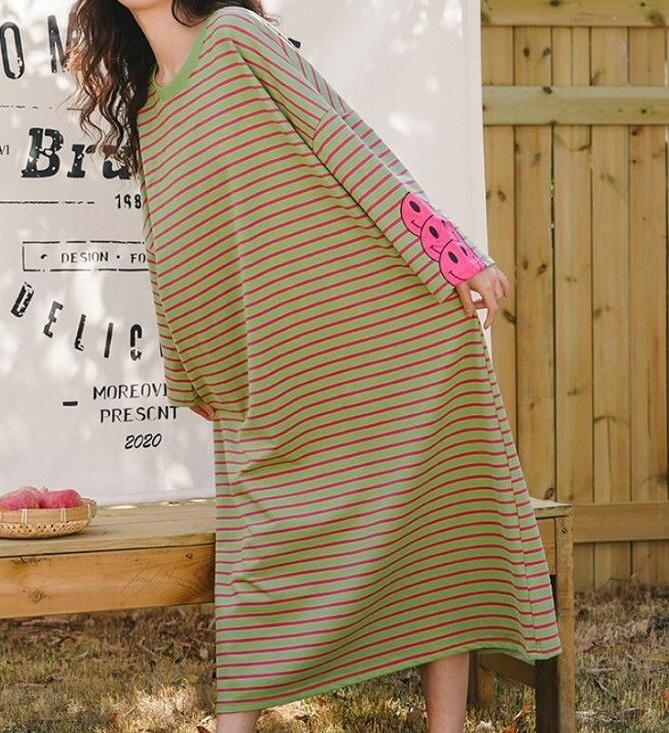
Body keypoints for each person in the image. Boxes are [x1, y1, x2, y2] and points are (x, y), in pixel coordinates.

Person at [66, 2, 562, 731]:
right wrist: (186, 371)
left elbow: (345, 140)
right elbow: (168, 243)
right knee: (260, 558)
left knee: (435, 522)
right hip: (276, 370)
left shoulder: (234, 37)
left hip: (371, 333)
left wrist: (450, 253)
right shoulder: (150, 109)